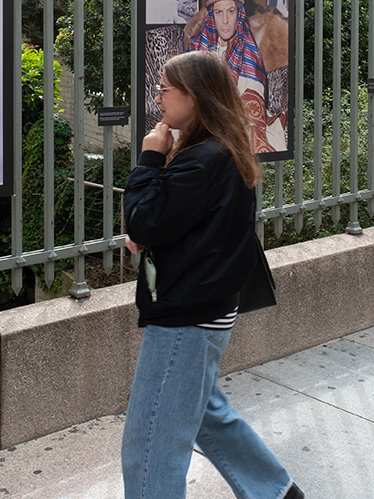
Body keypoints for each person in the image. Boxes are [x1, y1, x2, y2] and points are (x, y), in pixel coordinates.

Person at [121, 50, 302, 499]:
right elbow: (192, 224)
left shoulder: (201, 159)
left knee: (149, 446)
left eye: (165, 89)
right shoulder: (222, 150)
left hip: (187, 316)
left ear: (195, 96)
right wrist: (153, 230)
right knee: (201, 411)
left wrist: (148, 158)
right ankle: (275, 491)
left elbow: (143, 219)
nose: (158, 97)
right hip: (210, 305)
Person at [186, 0, 281, 153]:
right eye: (219, 12)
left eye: (231, 11)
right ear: (211, 15)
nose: (225, 21)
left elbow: (252, 97)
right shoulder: (196, 46)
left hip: (236, 117)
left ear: (239, 13)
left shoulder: (248, 50)